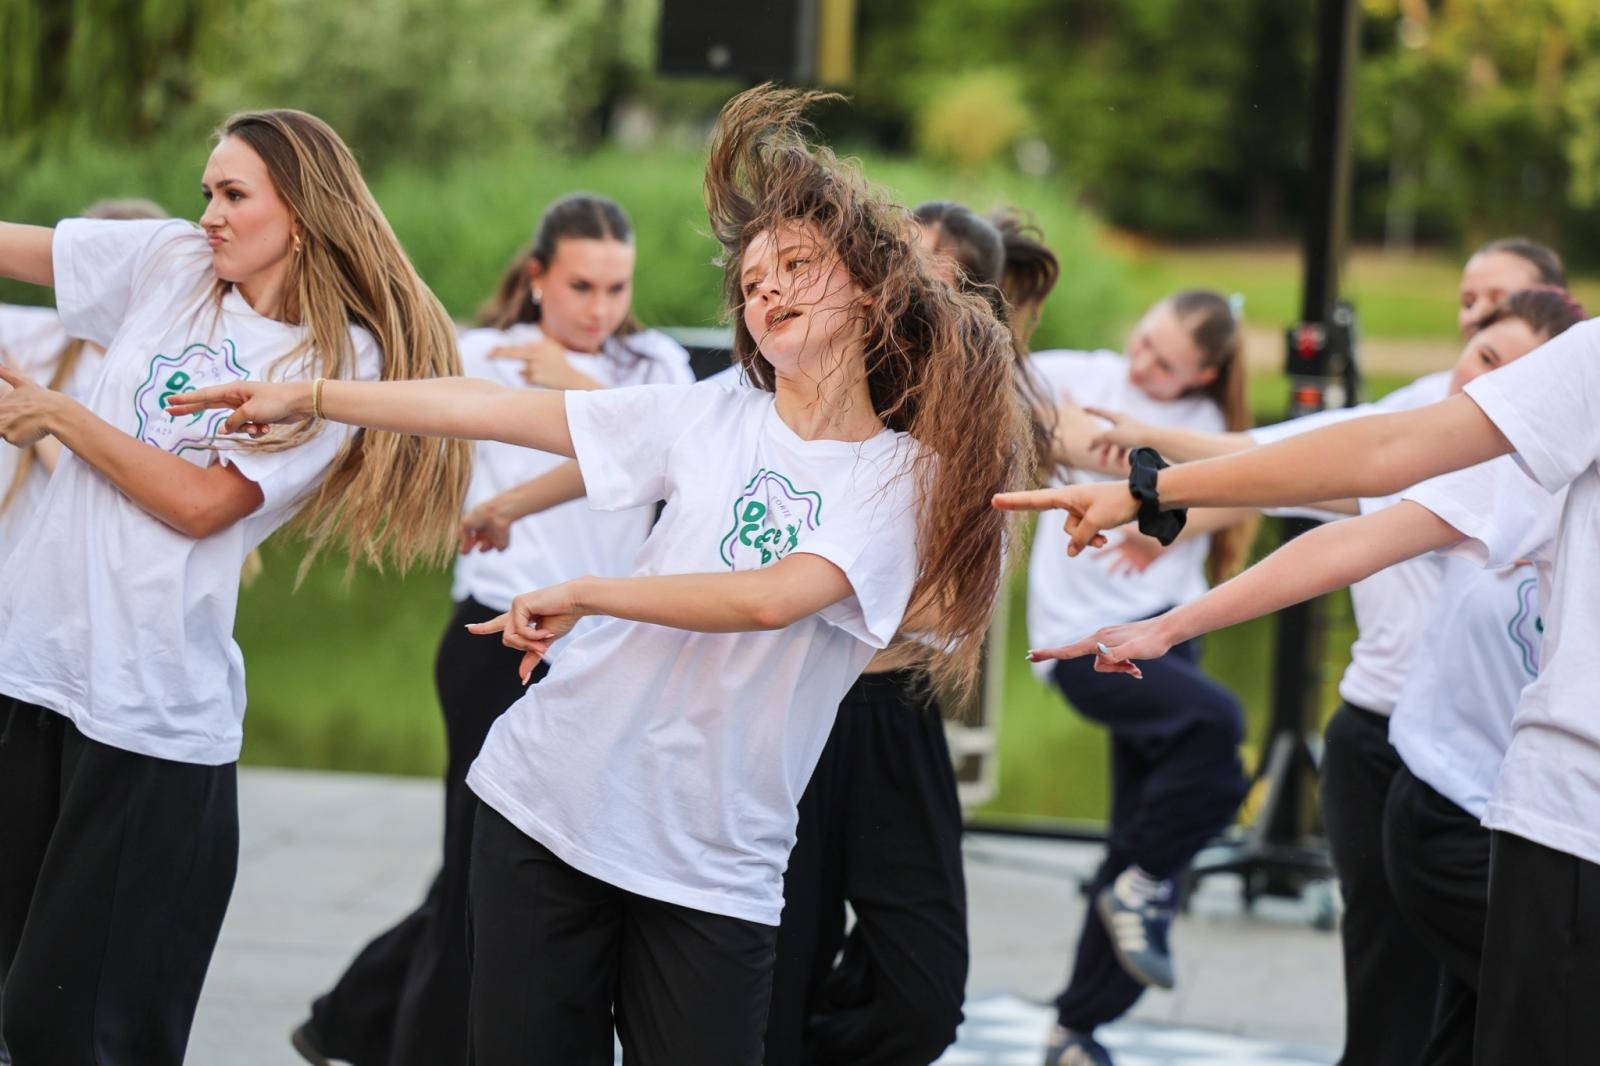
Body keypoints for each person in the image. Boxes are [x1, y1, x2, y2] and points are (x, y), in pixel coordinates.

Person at [168, 83, 1035, 1064]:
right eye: (751, 282)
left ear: (872, 289)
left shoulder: (903, 478)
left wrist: (589, 592)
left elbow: (771, 596)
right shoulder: (704, 413)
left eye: (798, 265)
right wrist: (317, 393)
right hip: (550, 804)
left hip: (715, 864)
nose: (768, 292)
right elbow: (495, 406)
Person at [994, 301, 1600, 1065]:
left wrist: (1162, 505)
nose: (1472, 326)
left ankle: (1101, 966)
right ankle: (1118, 933)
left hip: (1487, 791)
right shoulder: (1553, 400)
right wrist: (1155, 504)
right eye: (1477, 334)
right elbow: (1357, 477)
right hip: (1506, 805)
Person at [0, 109, 470, 1066]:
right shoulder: (171, 263)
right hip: (35, 675)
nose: (208, 213)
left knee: (77, 1032)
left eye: (233, 194)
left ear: (298, 210)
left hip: (147, 717)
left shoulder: (334, 365)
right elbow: (20, 248)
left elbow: (202, 504)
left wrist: (60, 415)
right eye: (206, 190)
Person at [294, 194, 692, 1066]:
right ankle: (397, 1041)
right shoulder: (480, 356)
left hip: (599, 653)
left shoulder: (653, 362)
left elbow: (676, 448)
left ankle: (352, 1021)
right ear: (539, 276)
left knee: (527, 875)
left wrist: (572, 378)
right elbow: (395, 417)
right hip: (493, 640)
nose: (600, 306)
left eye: (617, 286)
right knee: (478, 871)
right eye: (581, 284)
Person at [1028, 291, 1254, 1066]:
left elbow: (1259, 480)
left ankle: (1075, 1029)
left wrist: (1179, 513)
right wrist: (1164, 494)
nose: (1142, 363)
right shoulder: (1084, 375)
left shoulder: (1212, 428)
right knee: (1216, 732)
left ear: (1207, 373)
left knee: (1139, 827)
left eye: (1166, 363)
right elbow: (1014, 395)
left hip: (1166, 636)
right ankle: (1145, 883)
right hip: (1085, 644)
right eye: (1145, 341)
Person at [0, 199, 168, 563]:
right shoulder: (36, 335)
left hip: (80, 586)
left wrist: (47, 418)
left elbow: (129, 497)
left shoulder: (161, 380)